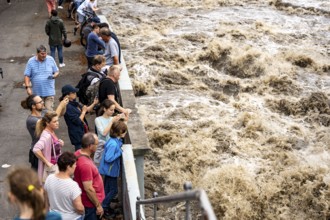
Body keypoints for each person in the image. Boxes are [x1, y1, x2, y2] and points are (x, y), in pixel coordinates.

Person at [21, 94, 68, 171]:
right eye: (40, 102)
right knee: (36, 179)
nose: (43, 102)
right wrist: (60, 106)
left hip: (48, 151)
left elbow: (58, 115)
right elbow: (51, 121)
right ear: (33, 106)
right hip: (38, 154)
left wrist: (64, 105)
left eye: (42, 101)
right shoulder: (31, 120)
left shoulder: (44, 111)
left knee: (48, 176)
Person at [99, 120, 127, 218]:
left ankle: (104, 205)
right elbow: (108, 158)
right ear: (119, 132)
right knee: (113, 190)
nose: (125, 133)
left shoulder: (114, 141)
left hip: (109, 170)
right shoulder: (113, 144)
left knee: (106, 189)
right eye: (124, 131)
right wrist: (119, 152)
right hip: (110, 171)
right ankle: (104, 206)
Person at [44, 152, 85, 220]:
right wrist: (83, 211)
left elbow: (46, 198)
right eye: (75, 164)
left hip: (54, 216)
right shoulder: (73, 185)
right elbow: (79, 208)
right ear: (68, 167)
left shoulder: (49, 178)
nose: (76, 166)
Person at [74, 132, 105, 220]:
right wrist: (98, 206)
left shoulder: (78, 153)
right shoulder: (85, 165)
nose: (98, 146)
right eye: (96, 144)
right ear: (90, 146)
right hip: (90, 204)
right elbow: (88, 188)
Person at [61, 84, 98, 150]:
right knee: (80, 152)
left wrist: (94, 103)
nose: (75, 93)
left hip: (83, 130)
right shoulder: (68, 107)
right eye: (73, 92)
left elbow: (86, 110)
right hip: (77, 134)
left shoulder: (75, 103)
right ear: (68, 95)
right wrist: (83, 112)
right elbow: (78, 121)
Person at [24, 45, 59, 111]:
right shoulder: (31, 61)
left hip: (49, 92)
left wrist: (54, 75)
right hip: (37, 94)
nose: (44, 55)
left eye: (45, 53)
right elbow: (27, 75)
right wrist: (28, 87)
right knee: (39, 113)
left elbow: (56, 71)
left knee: (49, 112)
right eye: (42, 54)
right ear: (37, 53)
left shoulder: (50, 59)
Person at [33, 112, 64, 184]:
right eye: (54, 121)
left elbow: (52, 147)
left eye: (57, 120)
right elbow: (36, 149)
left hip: (56, 165)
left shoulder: (51, 132)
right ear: (47, 123)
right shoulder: (46, 136)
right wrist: (47, 162)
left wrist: (59, 144)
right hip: (52, 169)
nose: (57, 123)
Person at [93, 99, 122, 165]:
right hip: (102, 147)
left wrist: (124, 118)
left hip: (112, 146)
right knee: (100, 167)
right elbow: (104, 133)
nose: (113, 112)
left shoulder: (113, 119)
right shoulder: (98, 120)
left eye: (114, 110)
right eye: (111, 110)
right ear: (105, 109)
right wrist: (111, 122)